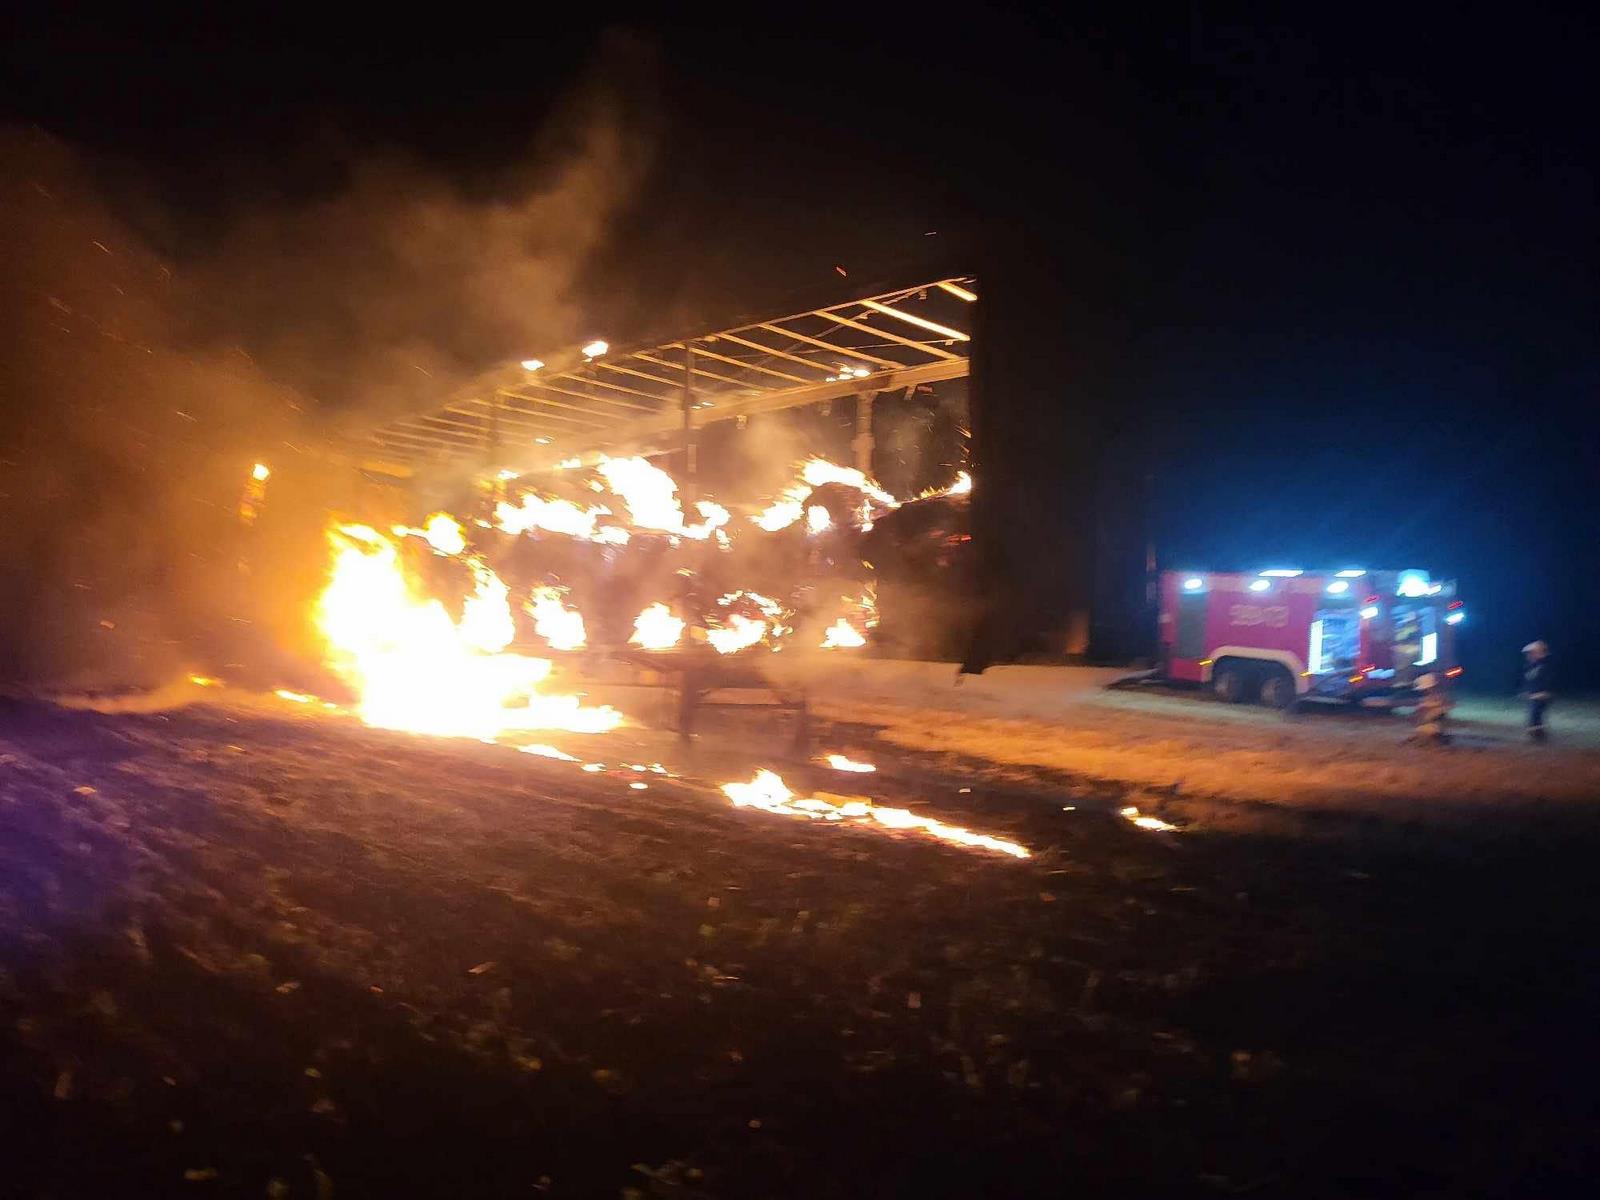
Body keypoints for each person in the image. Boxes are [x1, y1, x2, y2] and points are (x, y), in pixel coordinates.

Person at [1519, 640, 1552, 743]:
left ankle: (1538, 736)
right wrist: (1526, 691)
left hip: (1541, 695)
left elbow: (1547, 680)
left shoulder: (1544, 665)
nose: (1529, 655)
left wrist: (1544, 692)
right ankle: (1538, 735)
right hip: (1534, 694)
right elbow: (1529, 680)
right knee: (1535, 715)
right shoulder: (1529, 666)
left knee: (1535, 714)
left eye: (1531, 653)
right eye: (1529, 653)